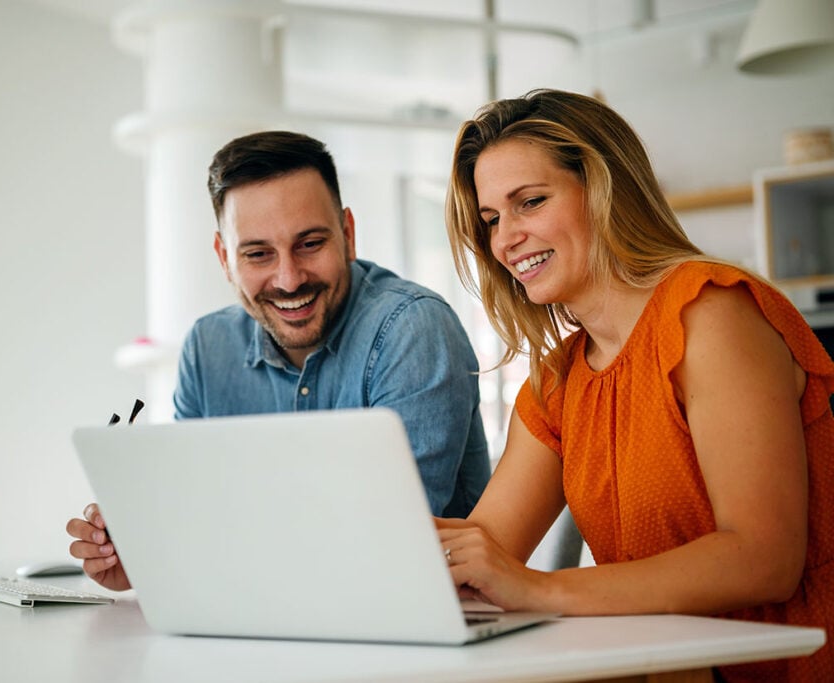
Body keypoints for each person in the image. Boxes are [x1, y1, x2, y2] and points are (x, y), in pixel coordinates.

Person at [438, 88, 833, 681]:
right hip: (668, 669)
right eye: (492, 219)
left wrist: (541, 590)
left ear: (605, 192)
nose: (504, 239)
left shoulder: (711, 315)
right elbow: (485, 548)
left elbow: (764, 557)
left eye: (531, 202)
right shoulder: (558, 379)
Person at [68, 130, 491, 592]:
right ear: (224, 258)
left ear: (348, 235)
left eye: (310, 243)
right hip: (263, 622)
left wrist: (201, 546)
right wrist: (147, 556)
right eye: (258, 254)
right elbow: (195, 516)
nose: (288, 280)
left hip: (414, 628)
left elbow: (391, 545)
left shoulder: (413, 330)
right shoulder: (208, 348)